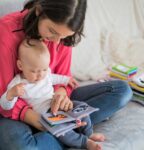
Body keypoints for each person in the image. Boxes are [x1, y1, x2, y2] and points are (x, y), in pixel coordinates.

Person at [0, 0, 132, 150]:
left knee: (121, 91)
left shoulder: (62, 36)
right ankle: (70, 134)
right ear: (39, 10)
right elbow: (4, 94)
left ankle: (63, 132)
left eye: (63, 37)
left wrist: (61, 94)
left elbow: (62, 76)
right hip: (14, 112)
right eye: (53, 31)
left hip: (51, 102)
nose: (57, 41)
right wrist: (35, 119)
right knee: (20, 146)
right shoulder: (5, 32)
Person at [0, 39, 105, 150]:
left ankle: (88, 133)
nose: (40, 75)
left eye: (44, 69)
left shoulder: (45, 74)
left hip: (58, 103)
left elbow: (54, 77)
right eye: (34, 71)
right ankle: (84, 142)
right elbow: (5, 105)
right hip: (46, 114)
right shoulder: (18, 83)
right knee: (61, 130)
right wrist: (11, 94)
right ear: (20, 65)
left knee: (82, 107)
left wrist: (66, 80)